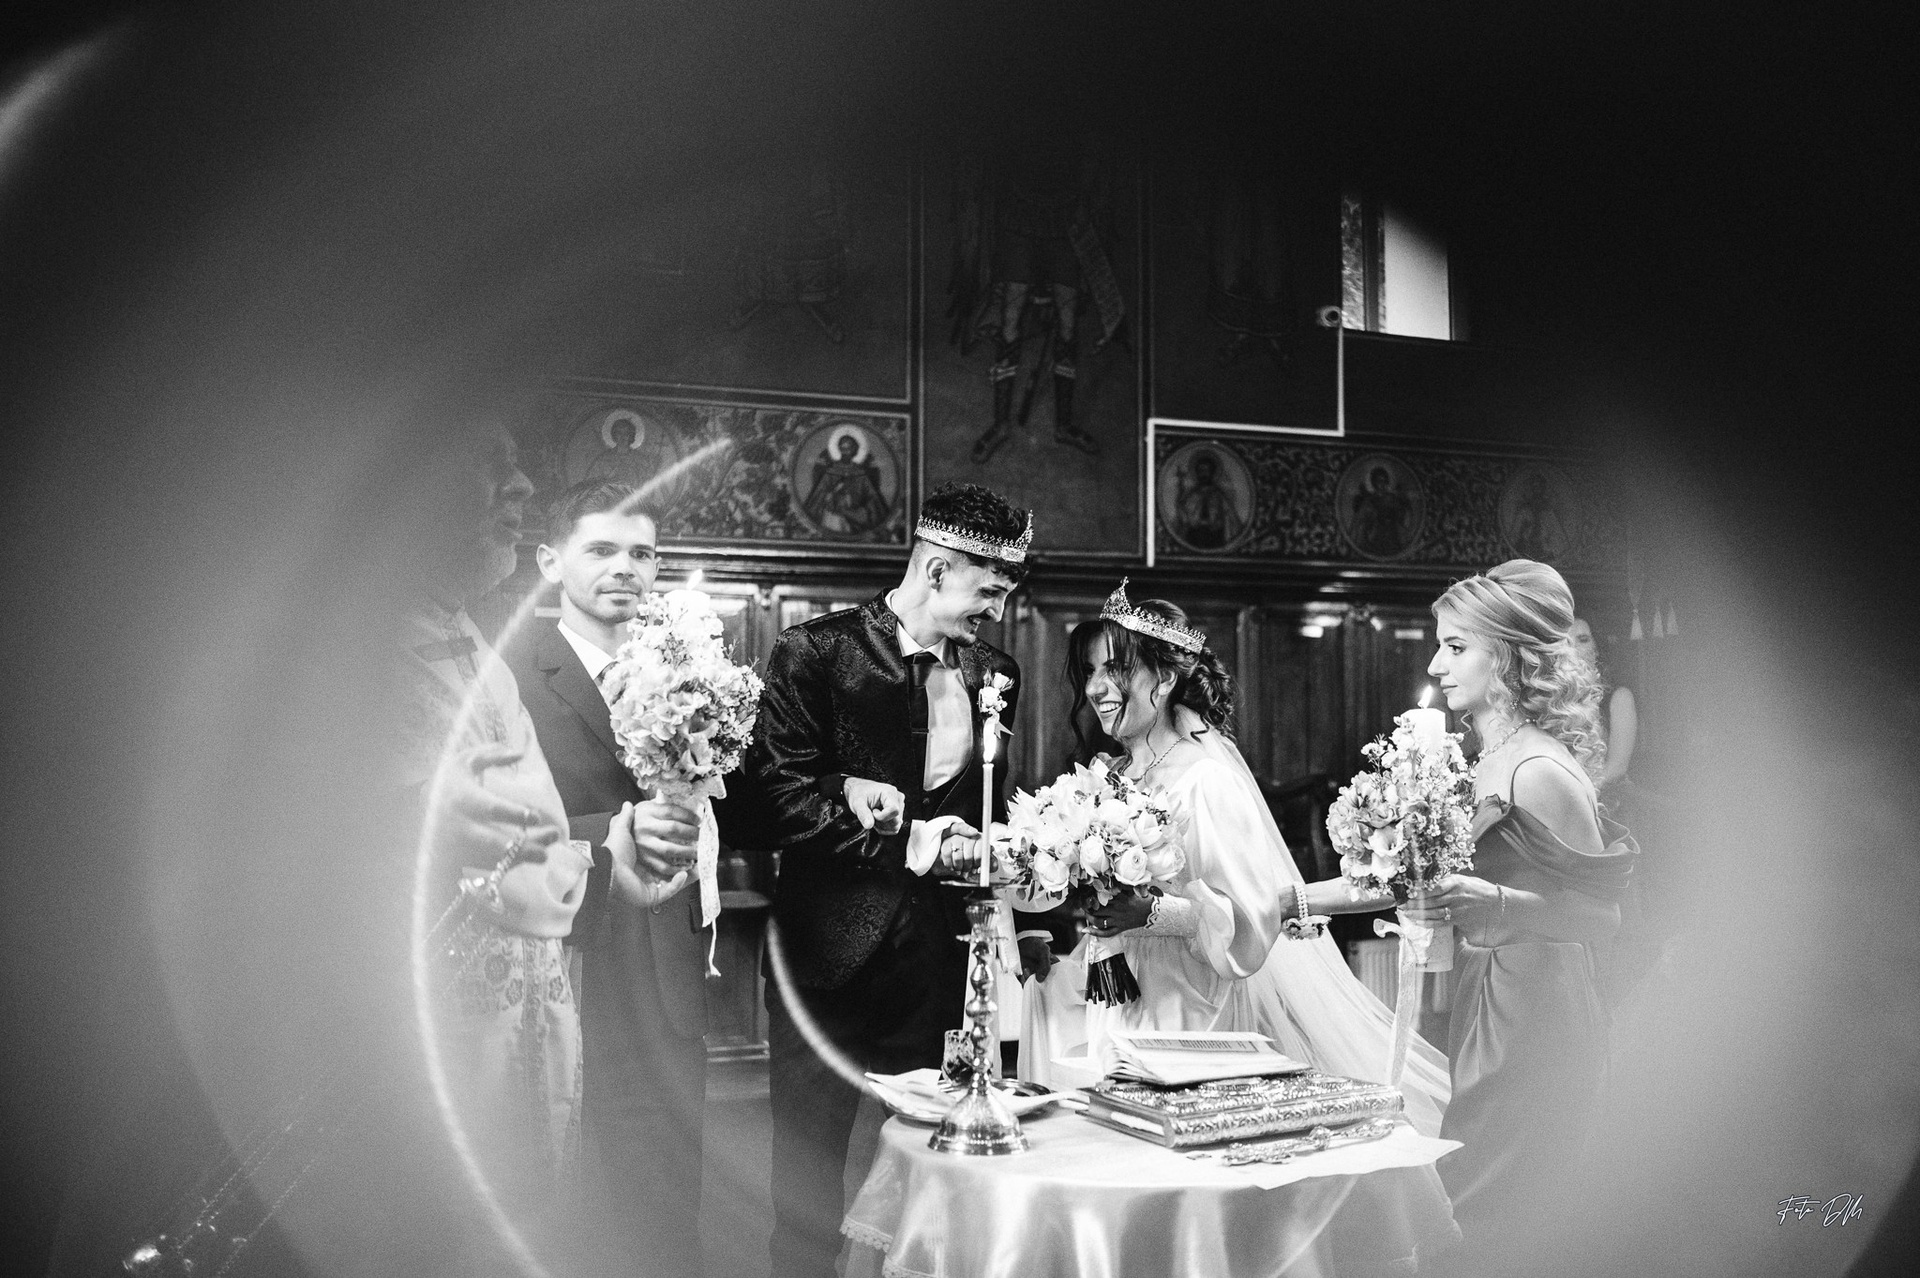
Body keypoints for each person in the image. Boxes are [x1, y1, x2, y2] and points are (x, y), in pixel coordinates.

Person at [1020, 582, 1458, 1272]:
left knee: (1186, 1184)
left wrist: (1152, 913)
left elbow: (1252, 920)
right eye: (1091, 672)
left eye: (1116, 669)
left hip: (1193, 1013)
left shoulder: (1204, 780)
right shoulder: (1120, 772)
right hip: (1128, 999)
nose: (1097, 688)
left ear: (1164, 678)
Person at [742, 481, 1045, 1278]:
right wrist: (911, 845)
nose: (999, 611)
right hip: (825, 957)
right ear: (938, 569)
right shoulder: (816, 651)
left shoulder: (997, 672)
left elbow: (986, 801)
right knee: (805, 1178)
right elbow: (778, 799)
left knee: (930, 1174)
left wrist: (1017, 896)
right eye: (990, 590)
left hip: (940, 964)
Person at [387, 423, 668, 1262]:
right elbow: (447, 838)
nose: (518, 487)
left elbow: (518, 821)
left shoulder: (465, 639)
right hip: (430, 1018)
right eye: (490, 465)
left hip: (534, 995)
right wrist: (607, 855)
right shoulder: (369, 652)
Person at [1398, 560, 1638, 1273]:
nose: (1436, 664)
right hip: (1489, 991)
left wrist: (1493, 904)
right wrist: (1298, 904)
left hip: (1538, 1011)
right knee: (1477, 1206)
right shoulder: (1487, 758)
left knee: (1498, 1209)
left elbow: (1604, 919)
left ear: (1504, 657)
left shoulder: (1538, 769)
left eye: (1455, 647)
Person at [500, 479, 708, 1278]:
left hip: (669, 967)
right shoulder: (511, 673)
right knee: (575, 1201)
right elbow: (494, 825)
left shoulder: (691, 667)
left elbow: (737, 796)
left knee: (671, 1196)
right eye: (602, 549)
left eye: (642, 554)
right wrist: (612, 837)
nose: (626, 567)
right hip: (571, 958)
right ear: (550, 562)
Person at [1570, 615, 1637, 798]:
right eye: (1566, 643)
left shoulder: (1619, 697)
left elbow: (1617, 767)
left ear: (1596, 648)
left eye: (1582, 639)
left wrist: (1577, 795)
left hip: (1607, 799)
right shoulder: (1555, 701)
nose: (1573, 648)